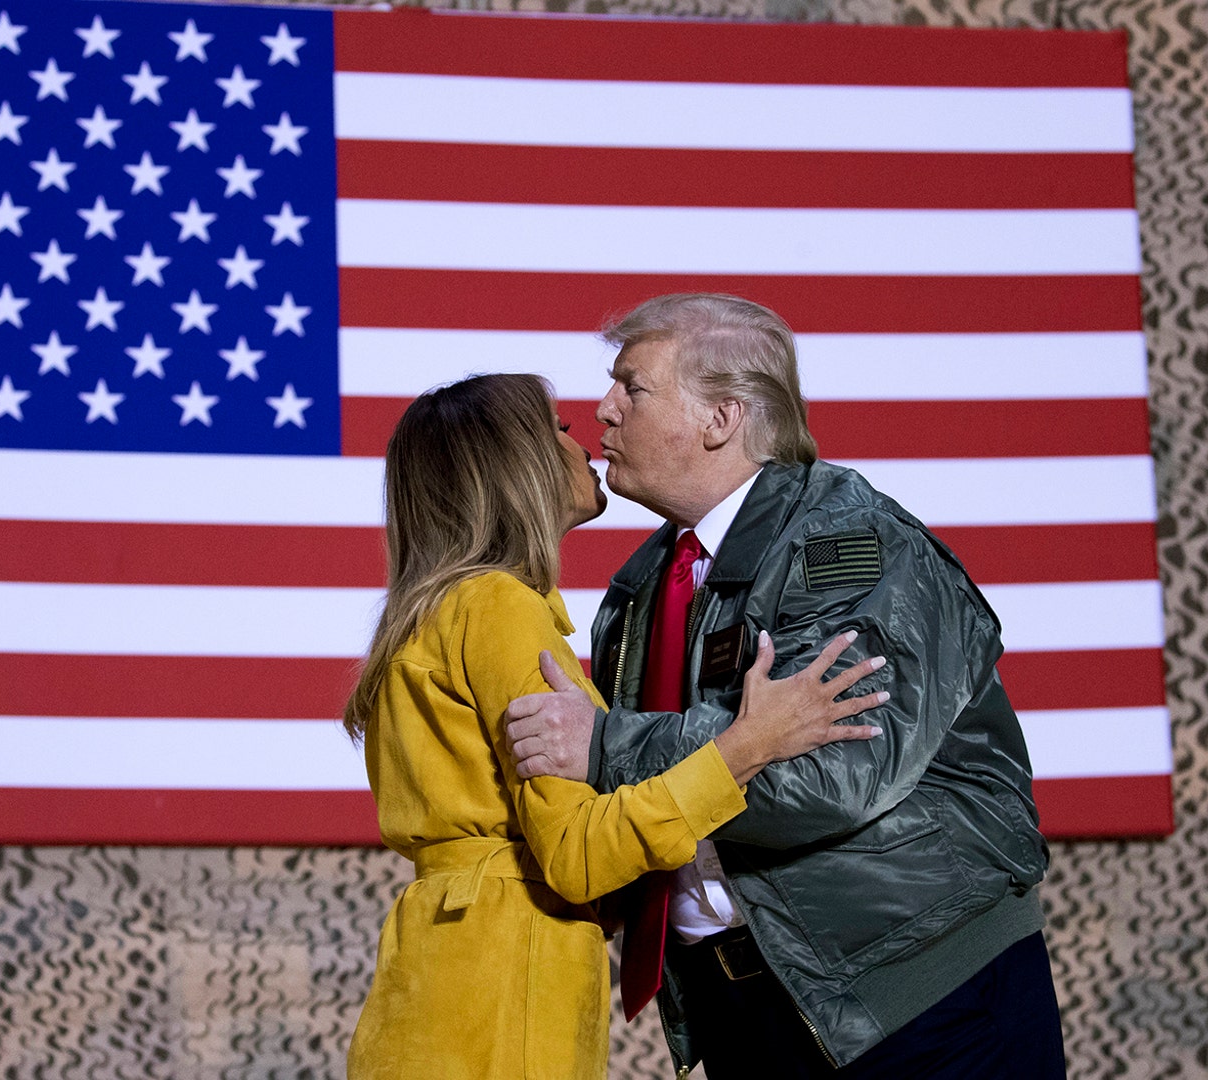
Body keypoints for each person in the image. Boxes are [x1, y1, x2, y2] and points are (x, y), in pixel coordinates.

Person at [504, 295, 1065, 1078]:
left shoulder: (851, 547)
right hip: (746, 1013)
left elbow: (823, 776)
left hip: (919, 1003)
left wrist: (604, 745)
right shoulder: (638, 592)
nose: (602, 409)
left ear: (721, 417)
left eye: (632, 387)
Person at [344, 373, 885, 1080]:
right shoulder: (500, 610)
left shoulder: (434, 610)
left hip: (434, 986)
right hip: (500, 1005)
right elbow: (576, 856)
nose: (588, 436)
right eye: (561, 429)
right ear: (519, 462)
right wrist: (745, 748)